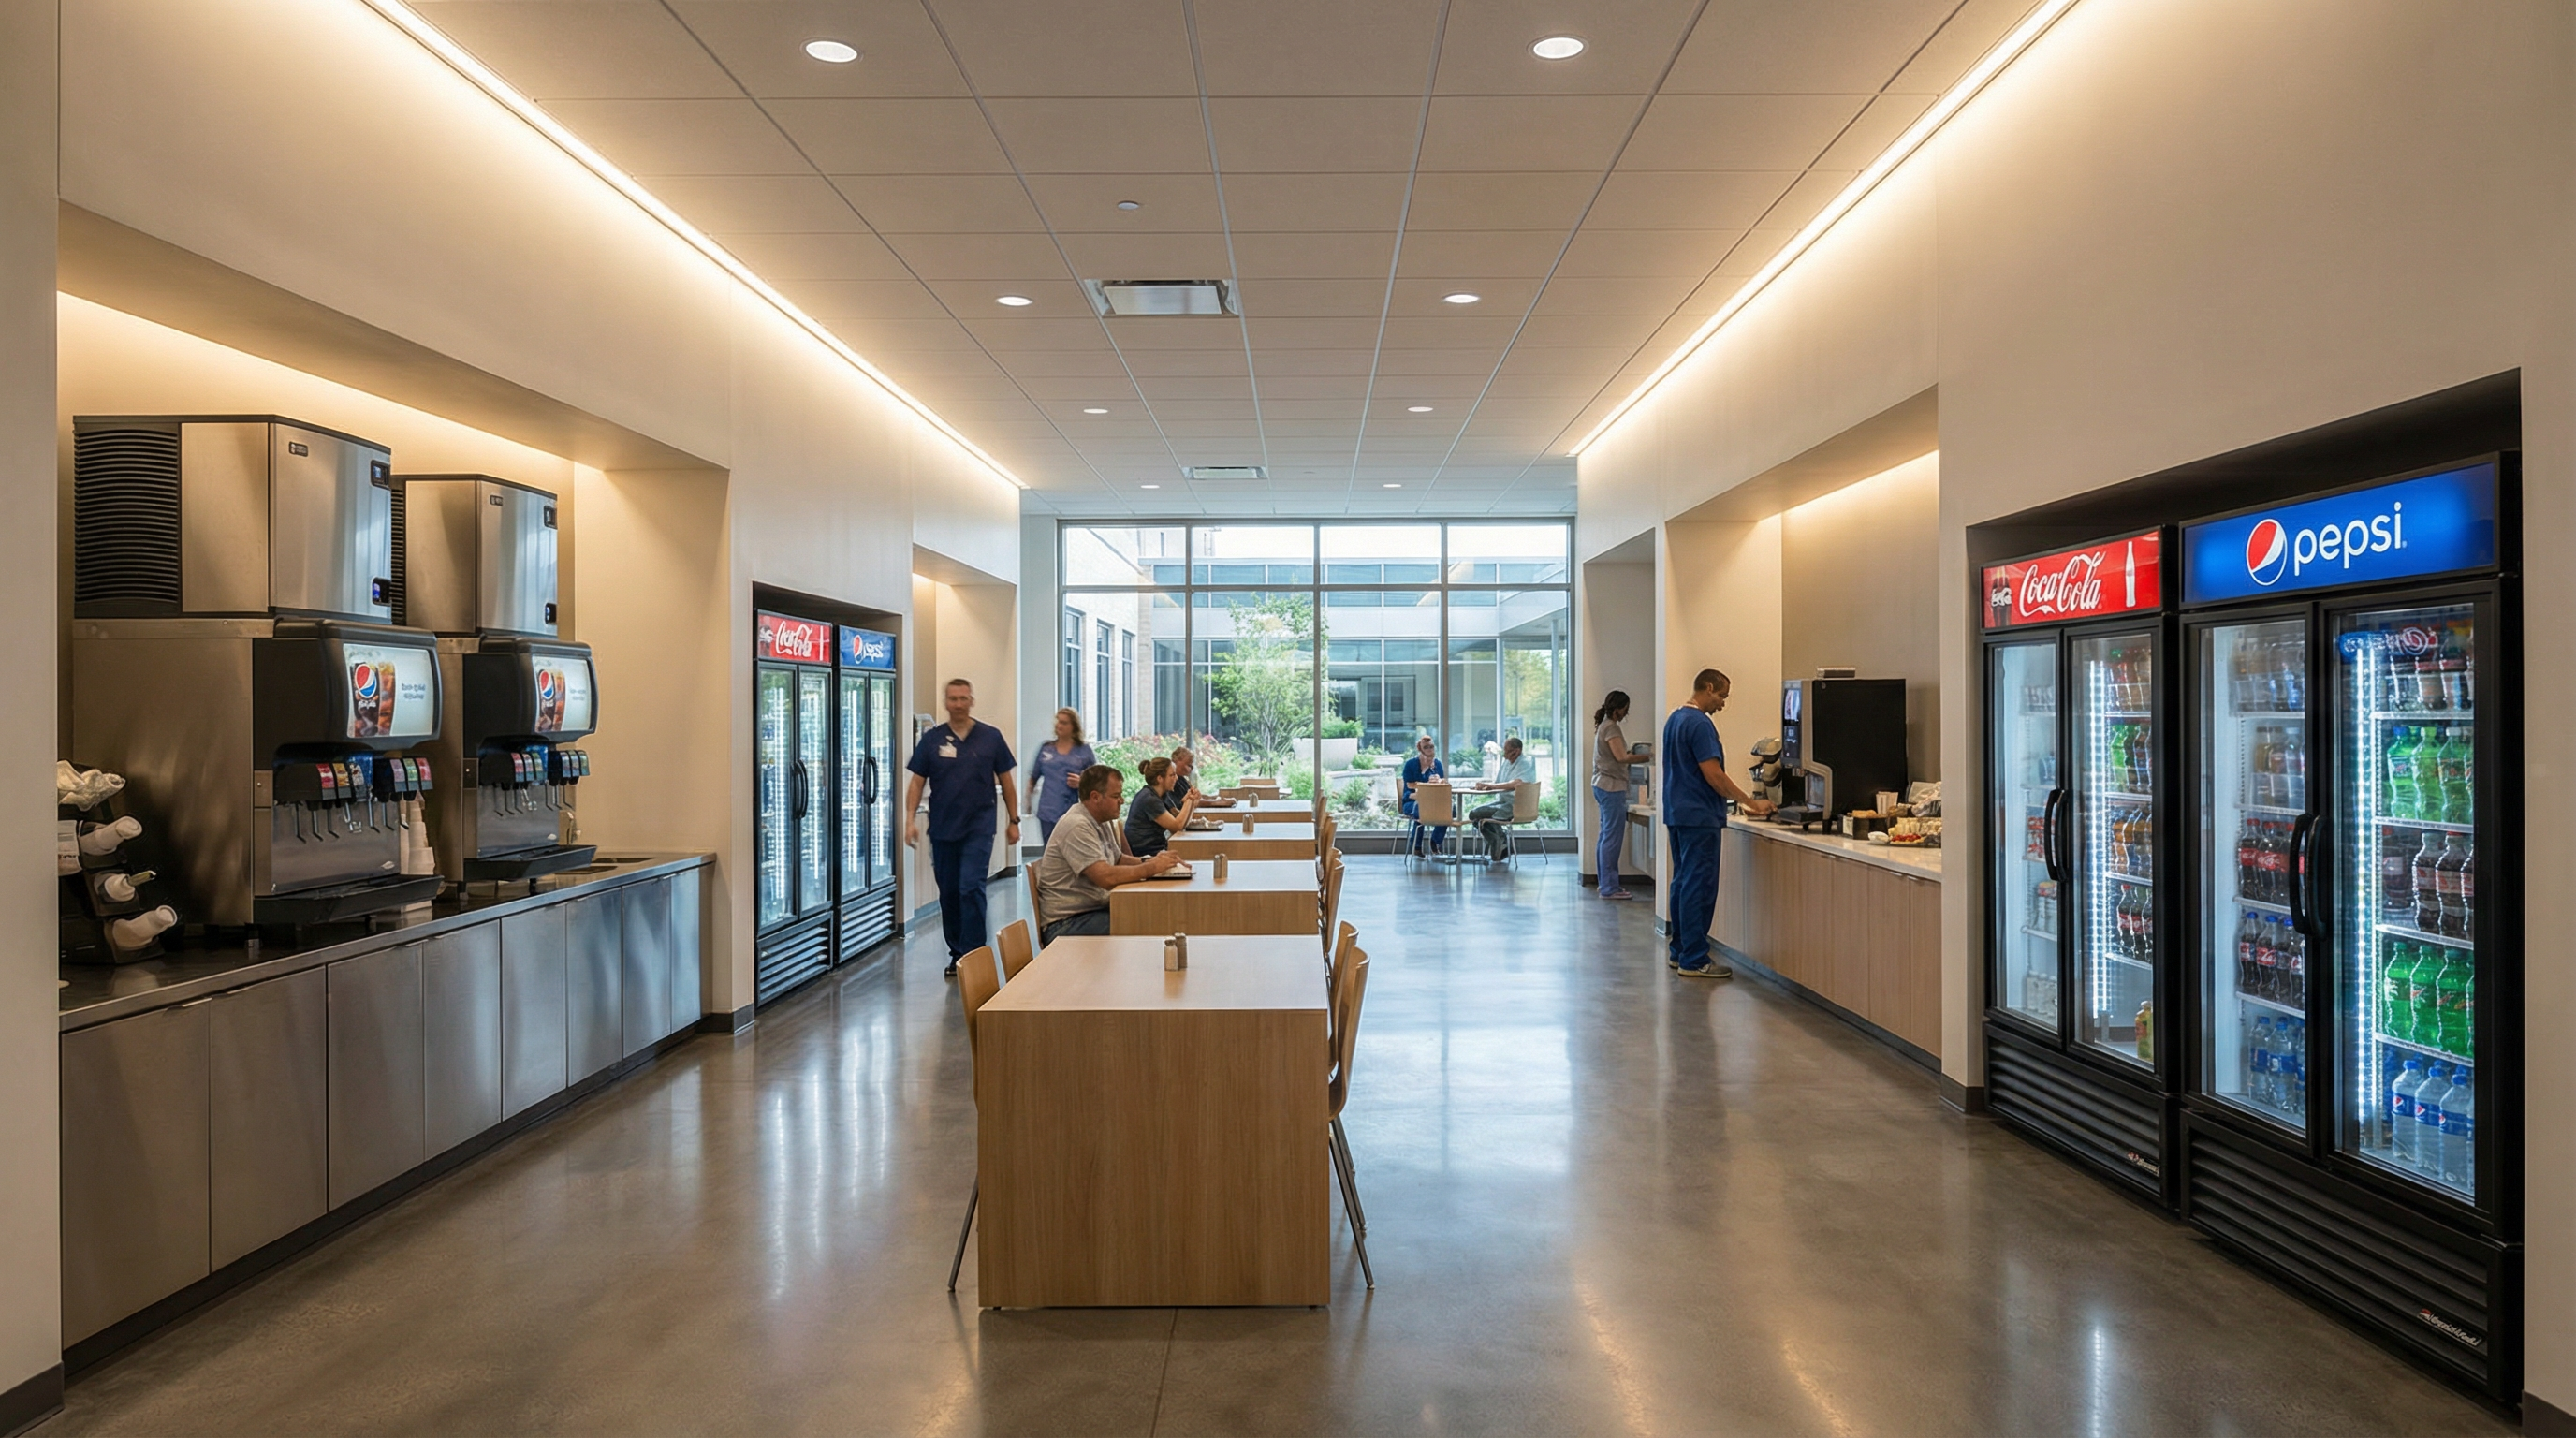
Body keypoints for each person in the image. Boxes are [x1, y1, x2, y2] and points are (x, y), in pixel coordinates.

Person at [903, 678, 1019, 976]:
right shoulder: (932, 740)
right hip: (942, 829)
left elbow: (1007, 781)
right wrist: (909, 819)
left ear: (972, 701)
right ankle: (957, 953)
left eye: (963, 698)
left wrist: (1014, 821)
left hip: (979, 827)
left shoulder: (990, 737)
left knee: (971, 887)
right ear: (946, 702)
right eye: (953, 699)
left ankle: (974, 952)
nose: (958, 704)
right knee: (950, 892)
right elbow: (917, 781)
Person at [1662, 668, 1775, 978]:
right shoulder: (1700, 723)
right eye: (1722, 696)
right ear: (1709, 688)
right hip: (1700, 816)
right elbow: (1714, 775)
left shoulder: (1675, 719)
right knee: (1699, 886)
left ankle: (1680, 951)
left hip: (1678, 812)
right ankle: (1695, 959)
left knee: (1683, 881)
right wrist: (1751, 801)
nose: (1723, 704)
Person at [1035, 766, 1181, 941]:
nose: (1122, 800)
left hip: (1092, 911)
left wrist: (1151, 861)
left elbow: (1118, 859)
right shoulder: (1076, 825)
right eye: (1115, 796)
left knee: (1152, 913)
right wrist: (1150, 868)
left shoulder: (1101, 820)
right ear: (1095, 797)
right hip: (1067, 922)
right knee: (1144, 923)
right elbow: (1105, 877)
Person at [1592, 691, 1649, 900]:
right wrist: (1648, 756)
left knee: (1606, 835)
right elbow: (1621, 757)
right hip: (1611, 787)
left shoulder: (1604, 725)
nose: (1627, 712)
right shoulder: (1611, 727)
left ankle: (1605, 883)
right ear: (1620, 708)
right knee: (1612, 837)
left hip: (1602, 785)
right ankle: (1610, 887)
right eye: (1626, 708)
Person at [1025, 707, 1094, 844]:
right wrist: (1028, 800)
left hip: (1071, 811)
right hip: (1048, 810)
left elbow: (1096, 782)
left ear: (1073, 726)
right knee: (1050, 850)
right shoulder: (1046, 749)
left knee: (1071, 849)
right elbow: (1034, 777)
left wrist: (1082, 782)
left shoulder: (1084, 751)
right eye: (1058, 722)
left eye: (1064, 723)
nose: (1059, 725)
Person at [1466, 736, 1537, 861]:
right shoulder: (1507, 763)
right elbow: (1499, 783)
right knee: (1473, 814)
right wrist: (1483, 786)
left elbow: (1517, 783)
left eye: (1507, 751)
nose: (1504, 756)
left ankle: (1500, 842)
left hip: (1516, 805)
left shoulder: (1526, 762)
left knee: (1479, 814)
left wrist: (1491, 786)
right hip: (1503, 802)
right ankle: (1500, 841)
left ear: (1517, 751)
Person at [1125, 756, 1198, 858]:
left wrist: (1191, 803)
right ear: (1160, 778)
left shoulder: (1161, 795)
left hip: (1157, 849)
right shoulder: (1149, 799)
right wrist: (1188, 800)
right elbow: (1177, 826)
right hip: (1146, 855)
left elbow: (1182, 822)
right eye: (1172, 775)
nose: (1176, 778)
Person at [1398, 735, 1449, 856]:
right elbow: (1410, 785)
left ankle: (1435, 841)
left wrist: (1439, 781)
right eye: (1426, 747)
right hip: (1412, 800)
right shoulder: (1411, 764)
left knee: (1449, 811)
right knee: (1420, 811)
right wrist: (1426, 784)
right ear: (1420, 749)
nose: (1429, 749)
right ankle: (1416, 846)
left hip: (1433, 800)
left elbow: (1443, 782)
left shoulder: (1437, 764)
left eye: (1431, 746)